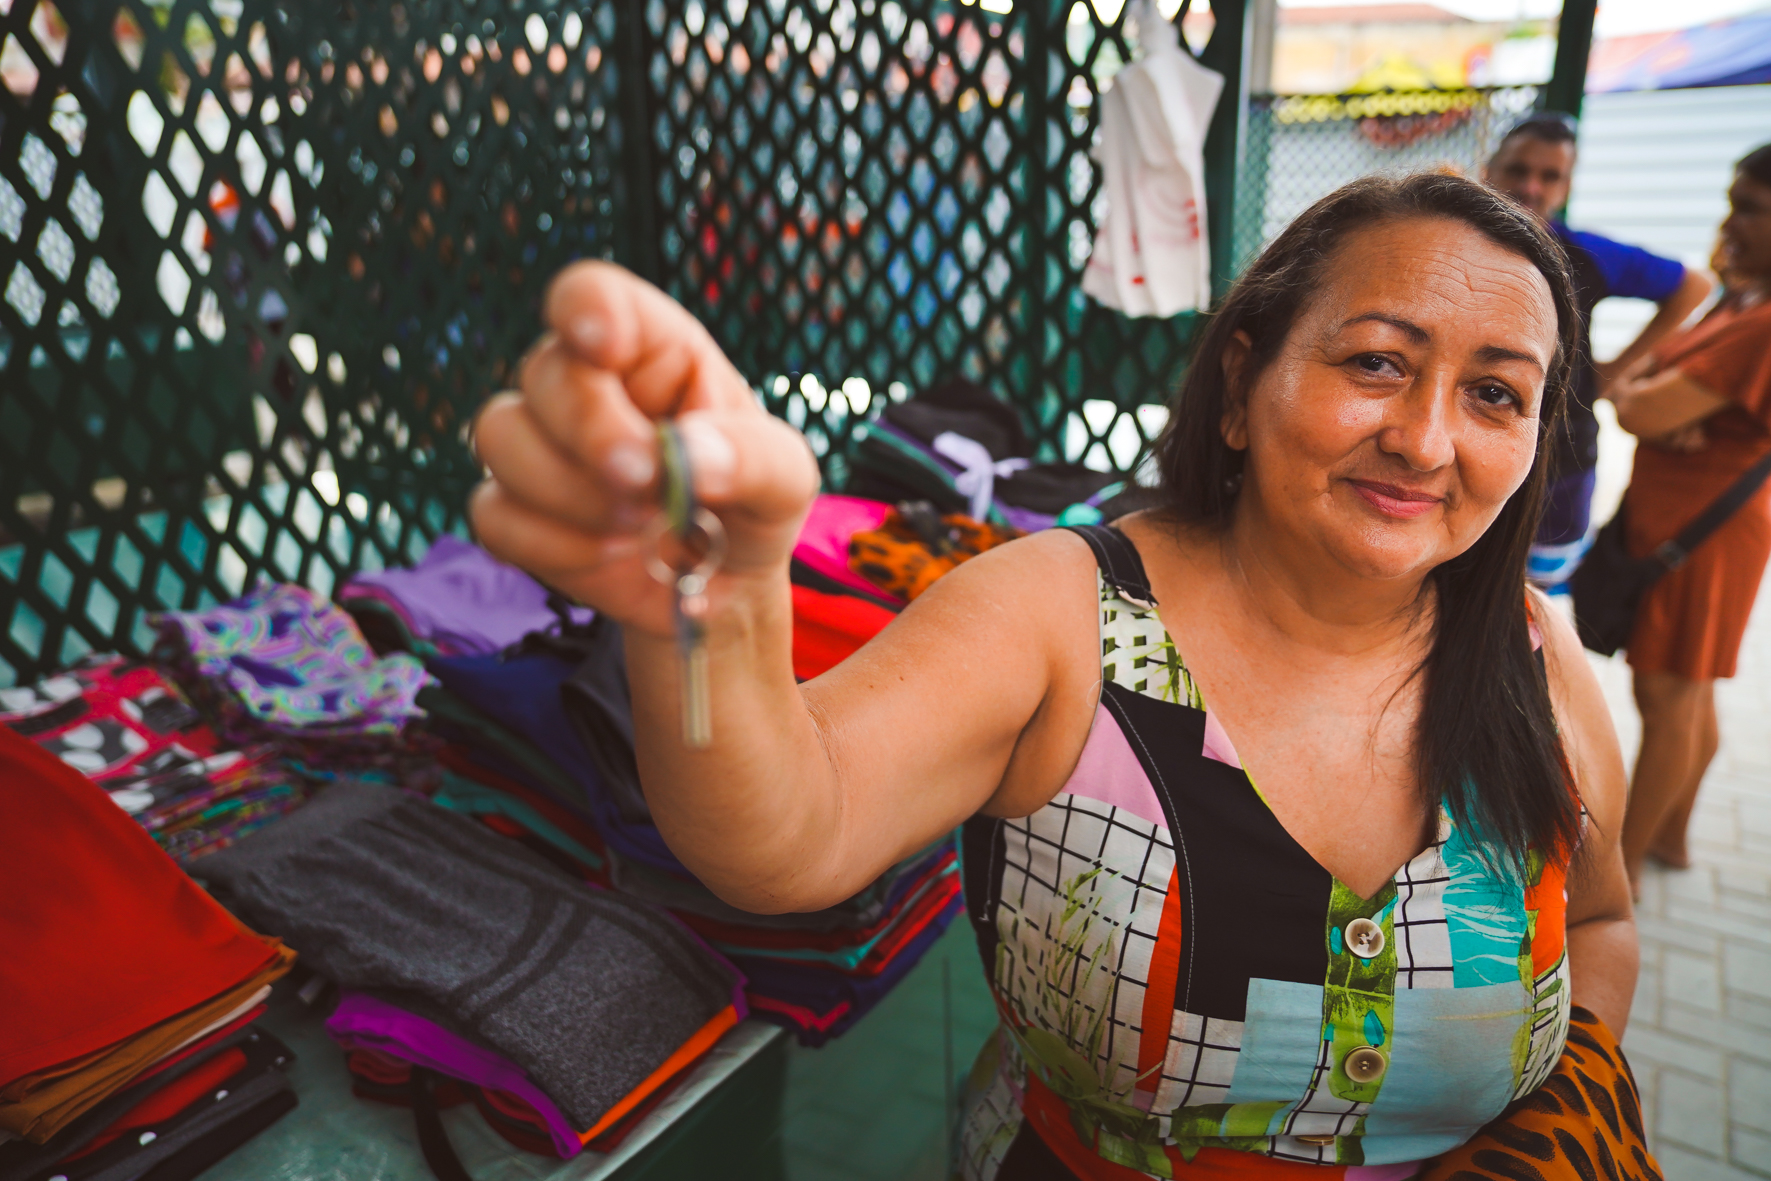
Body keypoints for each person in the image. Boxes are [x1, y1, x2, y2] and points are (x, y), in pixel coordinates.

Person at [470, 173, 1645, 1178]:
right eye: (1378, 362)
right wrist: (713, 613)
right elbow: (788, 831)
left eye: (1495, 392)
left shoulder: (1534, 659)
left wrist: (1552, 1130)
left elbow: (1599, 914)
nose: (1427, 439)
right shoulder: (1060, 611)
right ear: (1241, 384)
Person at [1610, 144, 1771, 890]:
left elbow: (1638, 404)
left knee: (1666, 694)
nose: (1729, 219)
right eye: (1733, 199)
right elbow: (1642, 388)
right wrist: (1658, 392)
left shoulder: (1761, 319)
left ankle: (1622, 872)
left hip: (1700, 533)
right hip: (1682, 519)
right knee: (1690, 689)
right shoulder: (1738, 298)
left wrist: (1655, 394)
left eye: (1751, 207)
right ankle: (1670, 837)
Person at [1484, 112, 1714, 588]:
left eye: (1550, 176)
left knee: (1533, 608)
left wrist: (1613, 372)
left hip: (1562, 465)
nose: (1531, 186)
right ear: (1489, 168)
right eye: (1517, 169)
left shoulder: (1585, 255)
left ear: (1566, 187)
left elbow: (1694, 285)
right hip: (1472, 456)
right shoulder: (1449, 246)